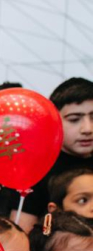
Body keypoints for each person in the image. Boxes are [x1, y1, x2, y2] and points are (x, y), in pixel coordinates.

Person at [15, 78, 93, 232]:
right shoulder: (36, 168)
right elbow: (22, 235)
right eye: (74, 120)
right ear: (54, 120)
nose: (87, 128)